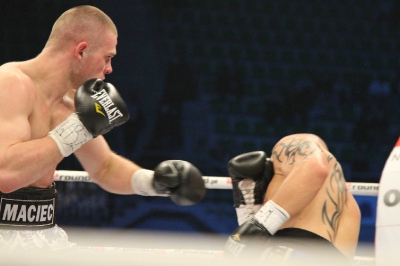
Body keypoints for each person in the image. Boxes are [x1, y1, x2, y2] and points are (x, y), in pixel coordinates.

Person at [0, 5, 205, 252]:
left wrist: (154, 182)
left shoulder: (71, 104)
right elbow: (6, 175)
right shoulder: (11, 83)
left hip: (44, 234)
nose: (109, 69)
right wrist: (79, 128)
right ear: (82, 51)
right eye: (107, 57)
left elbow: (104, 166)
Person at [225, 133, 361, 265]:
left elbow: (316, 168)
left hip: (285, 254)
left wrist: (260, 224)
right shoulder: (349, 205)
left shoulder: (295, 142)